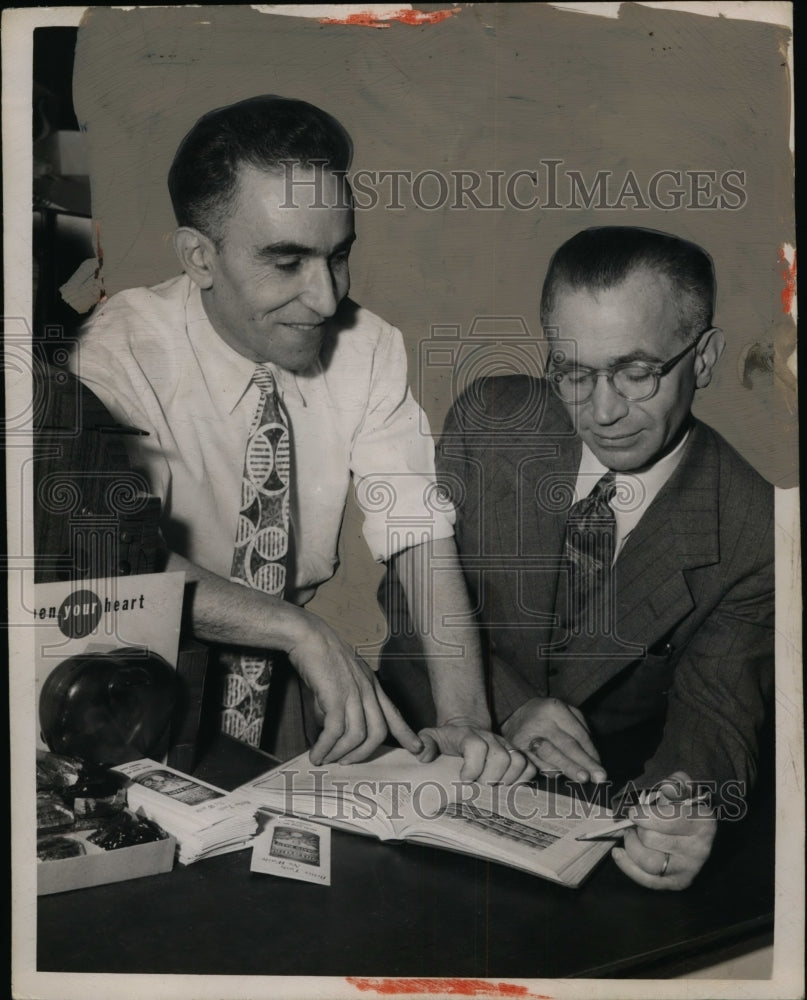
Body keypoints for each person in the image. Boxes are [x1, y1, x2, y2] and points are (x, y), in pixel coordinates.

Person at [69, 95, 533, 785]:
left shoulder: (369, 346)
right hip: (138, 675)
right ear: (199, 257)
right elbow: (117, 568)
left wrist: (466, 717)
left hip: (287, 686)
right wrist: (299, 629)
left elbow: (418, 538)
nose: (324, 299)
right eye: (286, 262)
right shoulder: (118, 353)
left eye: (337, 256)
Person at [379, 226, 774, 889]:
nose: (602, 410)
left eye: (636, 371)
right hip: (418, 761)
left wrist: (678, 805)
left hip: (589, 809)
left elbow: (714, 716)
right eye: (573, 373)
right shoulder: (489, 420)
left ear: (702, 359)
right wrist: (506, 706)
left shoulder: (754, 529)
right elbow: (408, 595)